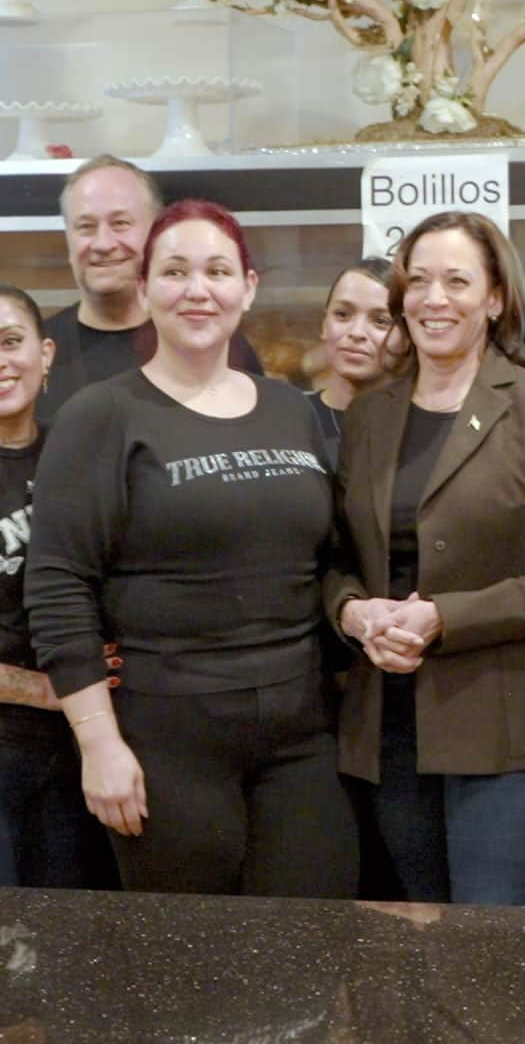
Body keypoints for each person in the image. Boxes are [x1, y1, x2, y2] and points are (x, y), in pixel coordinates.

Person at [25, 198, 358, 897]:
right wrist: (100, 745)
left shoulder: (292, 409)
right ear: (145, 290)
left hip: (301, 736)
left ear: (249, 286)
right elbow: (58, 587)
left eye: (216, 270)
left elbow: (329, 560)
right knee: (190, 971)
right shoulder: (102, 416)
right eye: (174, 272)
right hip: (165, 740)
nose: (197, 290)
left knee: (311, 952)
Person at [324, 210, 525, 905]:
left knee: (486, 944)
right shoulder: (369, 414)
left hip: (504, 725)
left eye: (456, 280)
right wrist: (354, 613)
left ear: (495, 297)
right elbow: (333, 561)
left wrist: (444, 618)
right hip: (388, 724)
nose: (433, 298)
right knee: (417, 930)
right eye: (418, 280)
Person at [0, 284, 105, 886]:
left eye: (12, 342)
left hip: (79, 746)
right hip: (12, 740)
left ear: (45, 354)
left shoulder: (75, 454)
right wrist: (46, 691)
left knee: (75, 939)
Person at [36, 154, 261, 424]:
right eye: (86, 227)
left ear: (156, 233)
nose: (103, 244)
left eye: (120, 223)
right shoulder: (35, 355)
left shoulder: (215, 342)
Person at [308, 256, 394, 469]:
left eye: (381, 321)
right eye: (342, 314)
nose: (356, 333)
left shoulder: (421, 428)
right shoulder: (292, 420)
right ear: (324, 325)